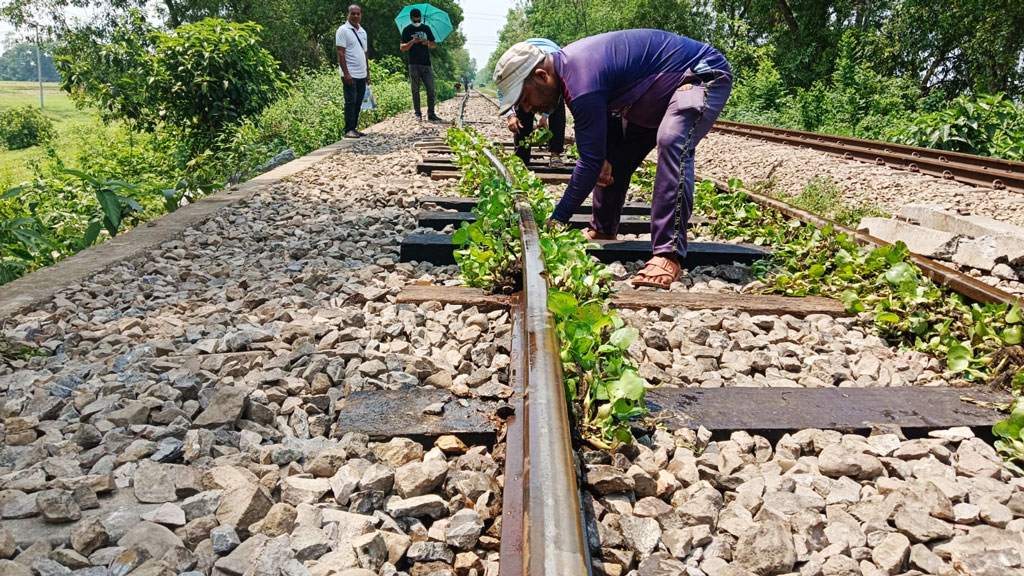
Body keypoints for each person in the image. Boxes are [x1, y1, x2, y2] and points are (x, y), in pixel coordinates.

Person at [493, 30, 732, 288]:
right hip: (650, 96)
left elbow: (588, 163)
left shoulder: (580, 80)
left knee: (672, 139)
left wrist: (557, 220)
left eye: (525, 98)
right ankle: (604, 228)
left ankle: (667, 253)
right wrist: (603, 155)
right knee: (613, 154)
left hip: (698, 73)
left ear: (542, 76)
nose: (527, 109)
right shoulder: (571, 76)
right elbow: (598, 150)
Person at [499, 38, 566, 168]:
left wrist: (545, 116)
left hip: (549, 67)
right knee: (523, 109)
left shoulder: (554, 64)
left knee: (557, 107)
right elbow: (503, 94)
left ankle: (555, 155)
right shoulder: (510, 71)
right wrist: (511, 116)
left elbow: (552, 92)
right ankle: (521, 159)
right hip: (528, 63)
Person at [400, 8, 444, 122]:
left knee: (431, 88)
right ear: (411, 18)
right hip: (413, 63)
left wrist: (427, 43)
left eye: (418, 18)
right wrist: (412, 42)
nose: (416, 20)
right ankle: (418, 113)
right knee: (415, 90)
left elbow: (434, 45)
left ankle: (431, 113)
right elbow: (402, 48)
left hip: (426, 64)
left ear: (420, 17)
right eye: (414, 18)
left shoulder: (426, 28)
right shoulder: (407, 30)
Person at [336, 4, 370, 139]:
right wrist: (346, 73)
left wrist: (368, 73)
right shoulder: (343, 30)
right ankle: (348, 129)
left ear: (361, 15)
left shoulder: (363, 31)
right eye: (353, 13)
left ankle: (354, 127)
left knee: (358, 101)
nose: (355, 16)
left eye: (358, 14)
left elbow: (365, 53)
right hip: (350, 74)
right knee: (350, 101)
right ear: (348, 15)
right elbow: (340, 53)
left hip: (362, 73)